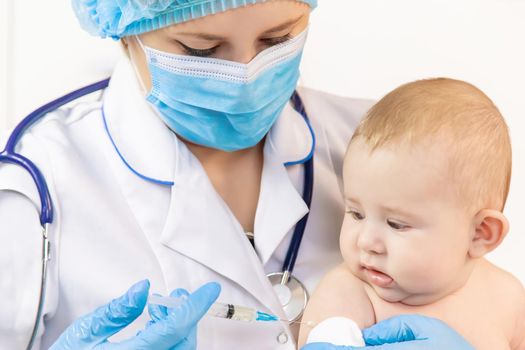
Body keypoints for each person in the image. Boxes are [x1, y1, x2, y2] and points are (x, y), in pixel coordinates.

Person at [0, 1, 474, 348]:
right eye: (201, 50)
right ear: (126, 31)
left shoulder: (381, 146)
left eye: (277, 40)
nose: (246, 74)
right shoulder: (35, 187)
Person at [298, 78, 525, 349]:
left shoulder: (508, 300)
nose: (366, 242)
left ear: (480, 233)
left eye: (396, 224)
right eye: (356, 214)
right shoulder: (349, 295)